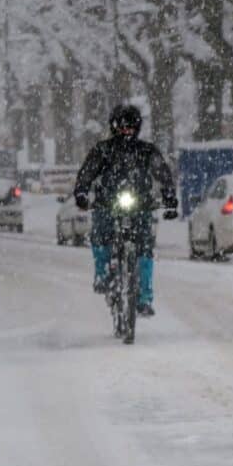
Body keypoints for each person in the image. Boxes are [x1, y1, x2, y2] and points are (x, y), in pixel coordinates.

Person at [73, 104, 178, 317]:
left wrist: (170, 199)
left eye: (130, 128)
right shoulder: (103, 150)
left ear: (137, 128)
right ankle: (102, 275)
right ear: (114, 128)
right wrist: (82, 193)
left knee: (145, 249)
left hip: (140, 206)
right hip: (107, 204)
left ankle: (144, 298)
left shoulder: (147, 151)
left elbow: (163, 174)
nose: (126, 132)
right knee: (100, 235)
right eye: (122, 128)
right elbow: (87, 172)